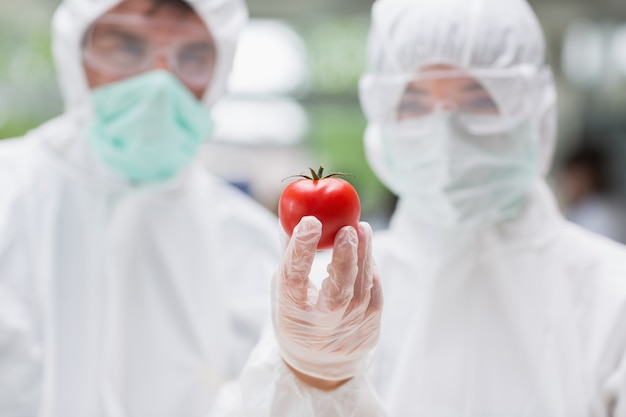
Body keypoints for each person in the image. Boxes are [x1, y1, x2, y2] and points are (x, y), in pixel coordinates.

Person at [0, 0, 383, 415]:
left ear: (220, 71)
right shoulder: (9, 194)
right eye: (127, 46)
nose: (160, 81)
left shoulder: (251, 245)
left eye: (193, 55)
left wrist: (317, 376)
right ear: (73, 50)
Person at [355, 0, 626, 415]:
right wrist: (309, 378)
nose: (444, 135)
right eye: (414, 103)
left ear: (535, 111)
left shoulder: (611, 293)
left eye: (478, 100)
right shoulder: (337, 296)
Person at [557, 144, 626, 243]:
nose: (564, 184)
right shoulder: (584, 209)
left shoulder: (599, 216)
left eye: (571, 177)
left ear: (587, 178)